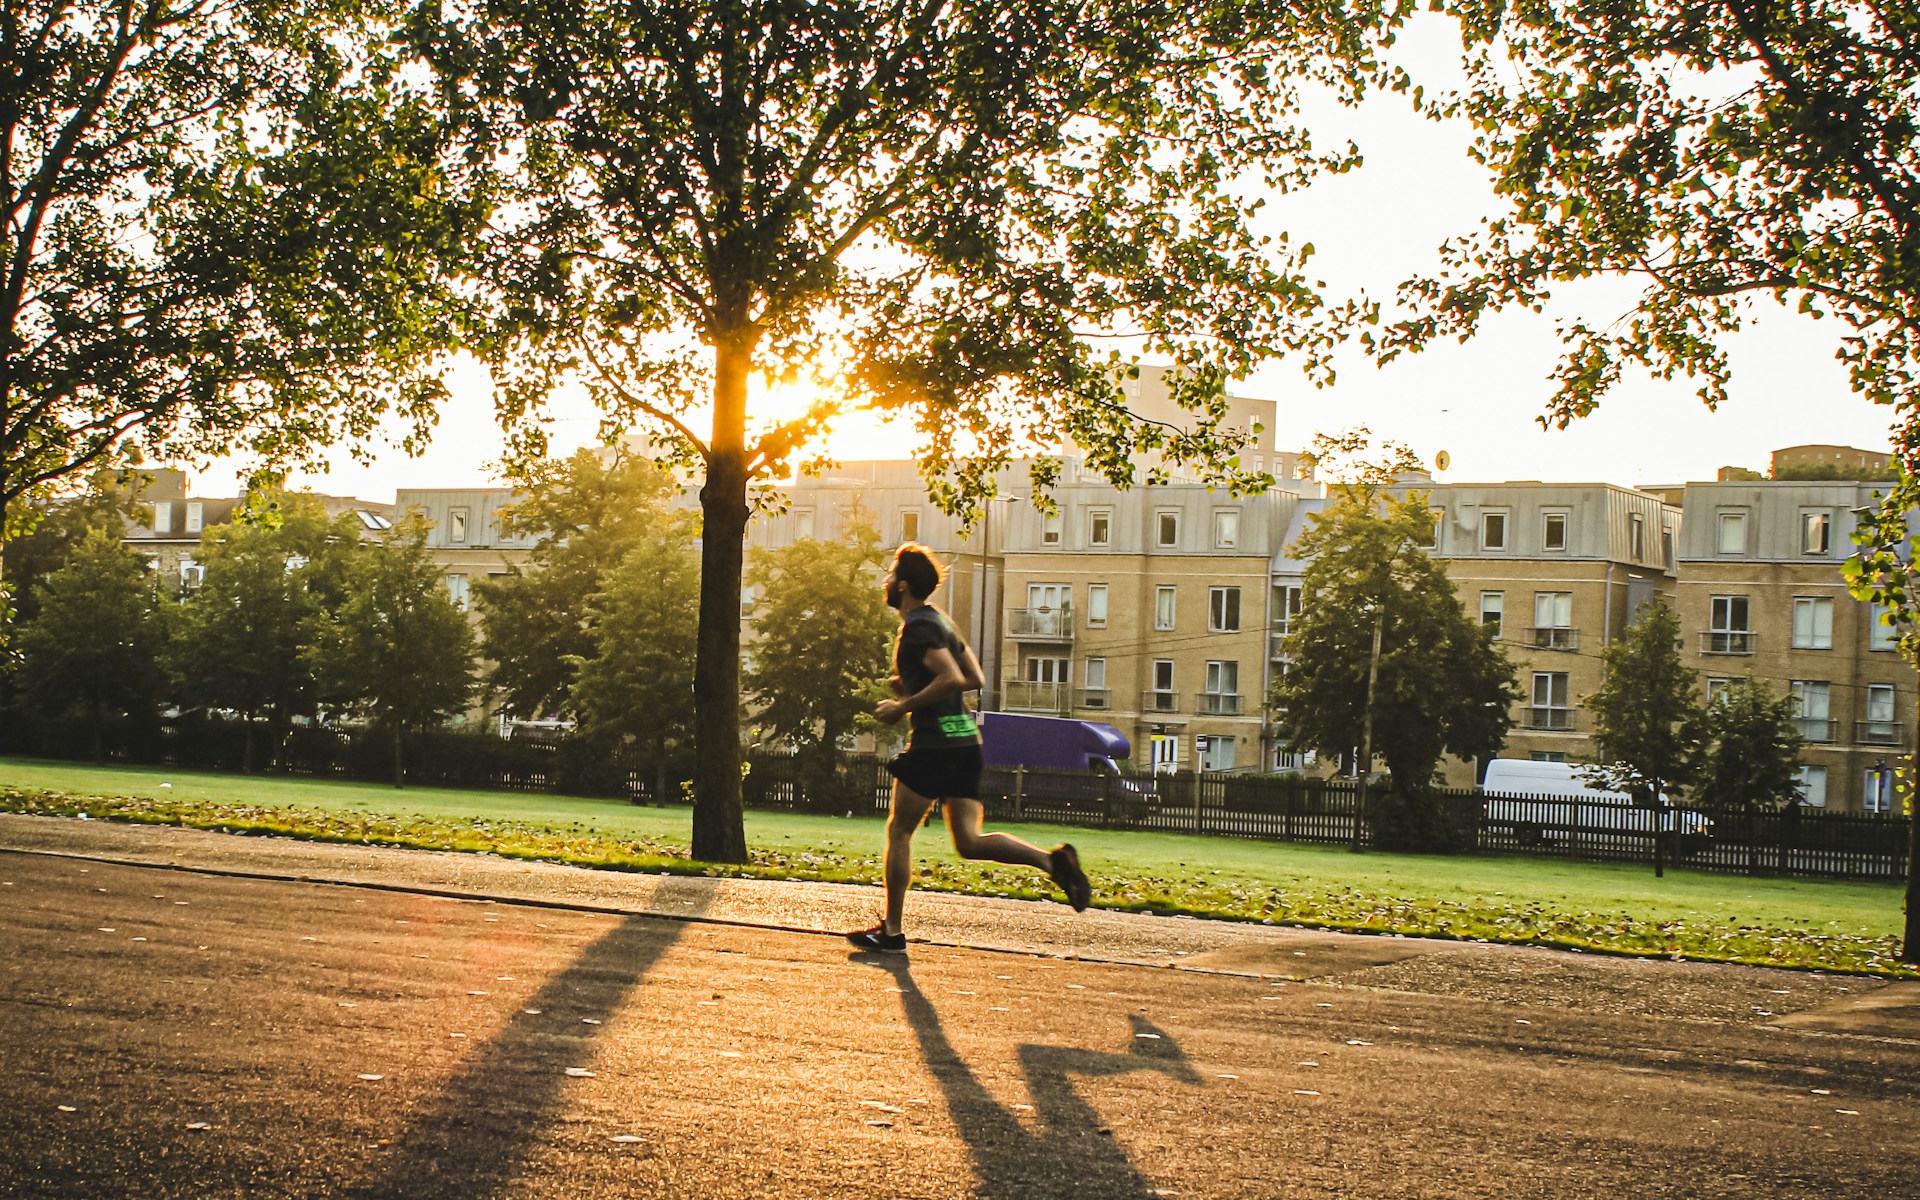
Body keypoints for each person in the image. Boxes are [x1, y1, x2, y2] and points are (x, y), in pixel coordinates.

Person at [846, 543, 1092, 954]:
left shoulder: (919, 626)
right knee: (969, 842)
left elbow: (955, 677)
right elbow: (975, 675)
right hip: (964, 742)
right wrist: (912, 684)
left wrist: (902, 705)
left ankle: (891, 931)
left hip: (934, 744)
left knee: (900, 830)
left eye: (890, 575)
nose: (886, 581)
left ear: (903, 585)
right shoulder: (941, 623)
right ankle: (1054, 864)